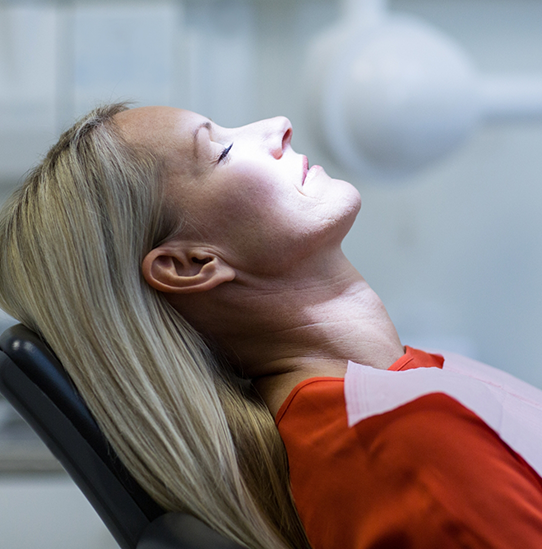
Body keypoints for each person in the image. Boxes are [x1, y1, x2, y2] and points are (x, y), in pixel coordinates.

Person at [0, 103, 541, 549]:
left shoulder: (389, 404)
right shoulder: (402, 448)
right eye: (223, 150)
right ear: (191, 264)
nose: (278, 124)